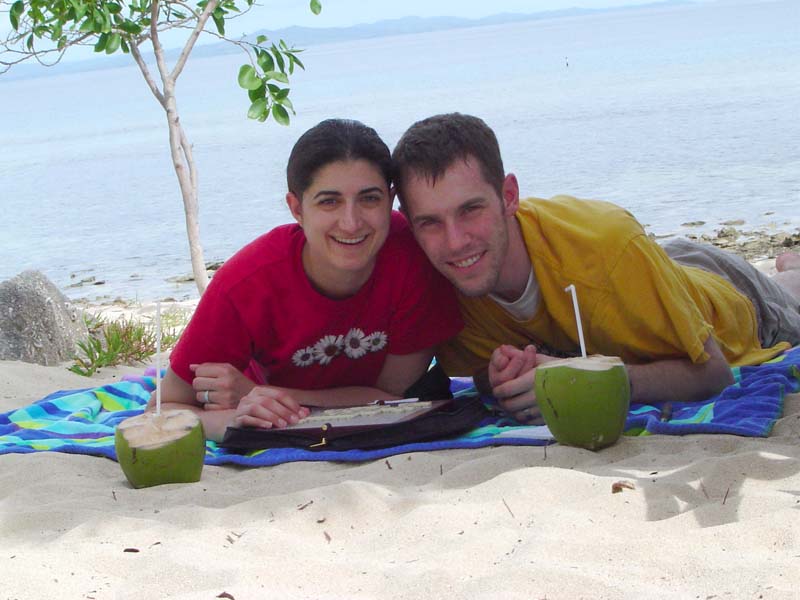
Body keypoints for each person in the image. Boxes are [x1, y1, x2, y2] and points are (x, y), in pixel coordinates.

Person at [391, 112, 800, 423]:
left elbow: (715, 375)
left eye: (470, 209)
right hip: (648, 270)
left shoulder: (608, 242)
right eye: (430, 222)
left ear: (509, 196)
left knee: (789, 292)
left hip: (731, 297)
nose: (455, 241)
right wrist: (498, 378)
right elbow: (475, 374)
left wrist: (592, 381)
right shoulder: (441, 286)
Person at [151, 119, 462, 441]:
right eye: (329, 201)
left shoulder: (413, 258)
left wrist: (259, 392)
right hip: (261, 411)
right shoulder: (245, 284)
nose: (351, 222)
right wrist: (235, 419)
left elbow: (390, 398)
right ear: (296, 208)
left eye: (370, 198)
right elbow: (162, 410)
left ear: (391, 198)